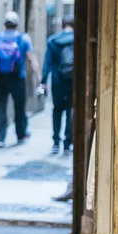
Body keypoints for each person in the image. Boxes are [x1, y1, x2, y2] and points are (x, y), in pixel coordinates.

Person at [0, 10, 35, 148]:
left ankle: (0, 138)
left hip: (0, 77)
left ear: (4, 24)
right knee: (19, 106)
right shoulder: (24, 38)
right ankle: (20, 134)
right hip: (18, 77)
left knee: (0, 105)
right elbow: (30, 58)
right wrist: (38, 76)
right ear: (17, 24)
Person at [41, 14, 75, 155]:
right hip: (73, 80)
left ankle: (56, 141)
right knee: (70, 111)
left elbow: (47, 64)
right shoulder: (78, 40)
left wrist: (43, 81)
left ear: (62, 25)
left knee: (57, 110)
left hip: (57, 81)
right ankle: (67, 142)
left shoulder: (52, 41)